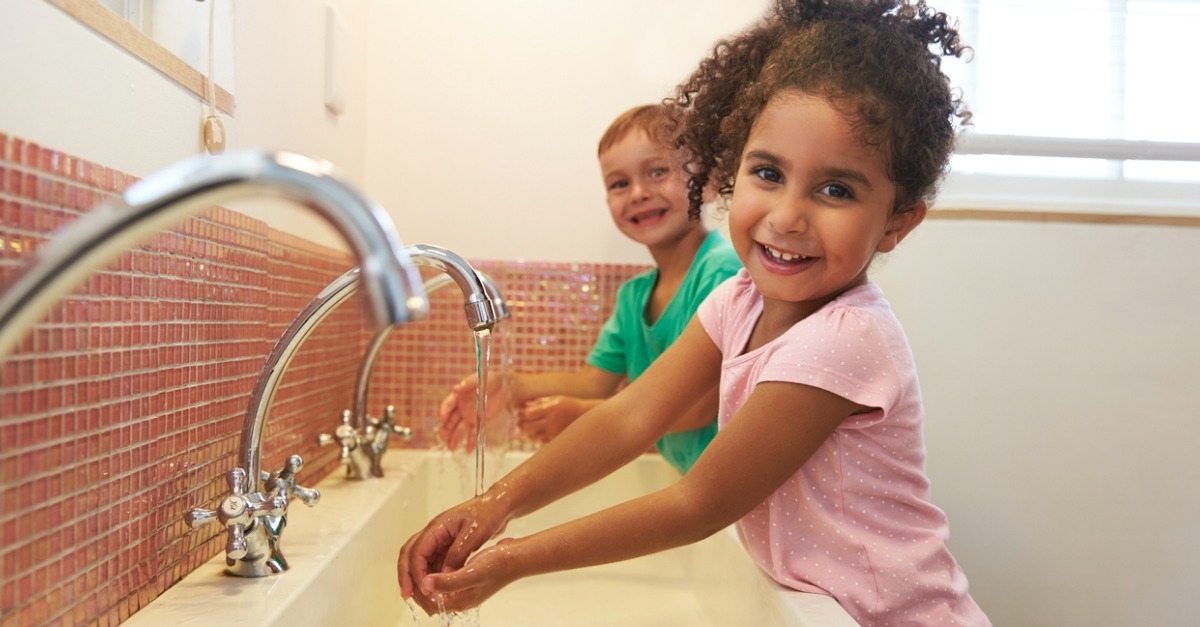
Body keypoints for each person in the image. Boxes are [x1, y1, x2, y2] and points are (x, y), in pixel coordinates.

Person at [399, 0, 990, 624]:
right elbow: (630, 416)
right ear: (732, 170)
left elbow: (697, 503)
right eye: (768, 172)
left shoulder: (844, 339)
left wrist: (513, 558)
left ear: (898, 222)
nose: (786, 216)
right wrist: (495, 504)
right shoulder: (740, 299)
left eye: (835, 189)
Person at [437, 103, 742, 474]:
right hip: (697, 483)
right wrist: (510, 386)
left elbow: (699, 406)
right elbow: (593, 381)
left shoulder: (723, 273)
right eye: (619, 183)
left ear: (708, 182)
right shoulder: (634, 297)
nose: (638, 193)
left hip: (737, 488)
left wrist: (581, 416)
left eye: (658, 171)